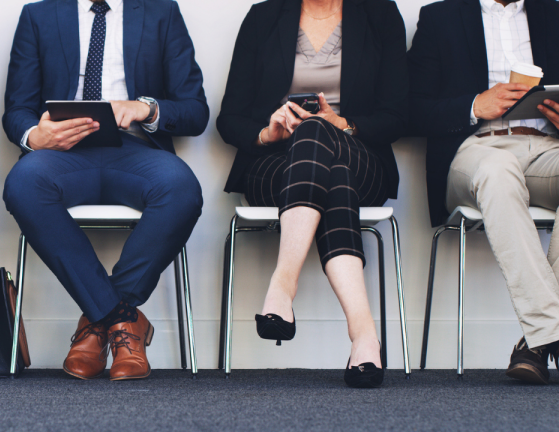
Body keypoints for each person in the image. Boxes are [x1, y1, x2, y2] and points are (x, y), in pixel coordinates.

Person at [2, 0, 207, 381]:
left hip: (135, 150)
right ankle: (124, 323)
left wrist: (145, 108)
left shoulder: (161, 12)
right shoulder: (39, 15)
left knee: (181, 188)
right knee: (23, 183)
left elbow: (195, 111)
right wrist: (35, 134)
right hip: (63, 153)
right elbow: (16, 109)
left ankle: (98, 324)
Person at [217, 0, 408, 388]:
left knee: (319, 133)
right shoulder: (264, 16)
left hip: (360, 157)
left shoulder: (380, 14)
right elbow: (229, 117)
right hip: (276, 165)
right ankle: (365, 338)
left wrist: (343, 123)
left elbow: (398, 113)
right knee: (323, 158)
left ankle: (282, 287)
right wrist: (266, 133)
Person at [408, 0, 559, 384]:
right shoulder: (439, 16)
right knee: (497, 170)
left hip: (546, 146)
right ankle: (551, 330)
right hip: (476, 149)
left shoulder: (553, 13)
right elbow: (407, 109)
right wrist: (475, 104)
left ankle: (538, 340)